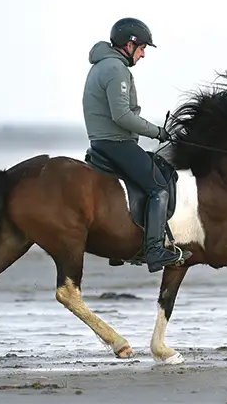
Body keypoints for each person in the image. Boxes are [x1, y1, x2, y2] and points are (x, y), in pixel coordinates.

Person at [82, 17, 191, 273]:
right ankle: (154, 250)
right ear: (128, 45)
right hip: (116, 143)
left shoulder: (102, 66)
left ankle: (119, 247)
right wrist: (158, 132)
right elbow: (122, 116)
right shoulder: (115, 69)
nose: (143, 54)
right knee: (160, 187)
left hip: (102, 143)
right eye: (141, 48)